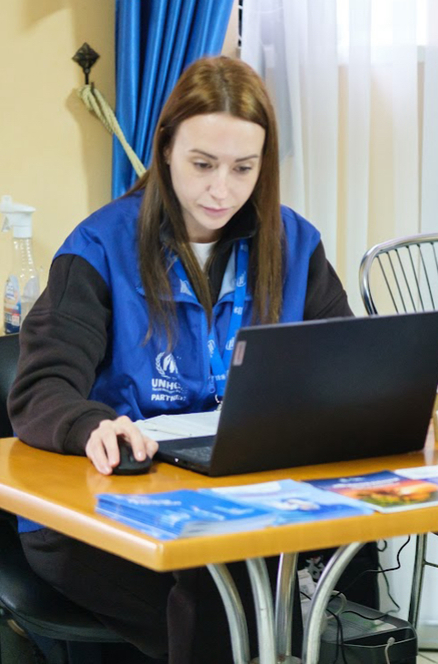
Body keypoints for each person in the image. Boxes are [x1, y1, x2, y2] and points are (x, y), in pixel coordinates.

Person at [8, 56, 353, 663]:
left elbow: (347, 364)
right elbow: (41, 387)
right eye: (202, 164)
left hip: (241, 500)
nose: (222, 189)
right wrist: (92, 426)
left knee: (299, 572)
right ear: (166, 148)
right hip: (103, 510)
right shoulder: (99, 246)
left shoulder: (294, 245)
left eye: (243, 168)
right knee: (224, 596)